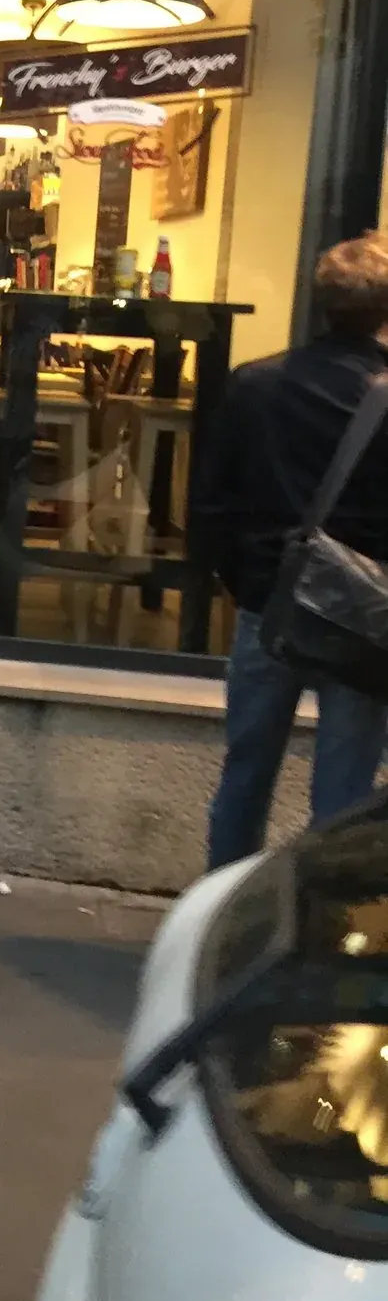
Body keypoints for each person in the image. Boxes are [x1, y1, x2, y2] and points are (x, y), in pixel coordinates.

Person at [193, 233, 388, 868]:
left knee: (245, 774)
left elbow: (212, 499)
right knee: (344, 793)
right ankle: (322, 934)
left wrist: (242, 579)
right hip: (363, 615)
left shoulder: (256, 383)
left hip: (269, 602)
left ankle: (218, 914)